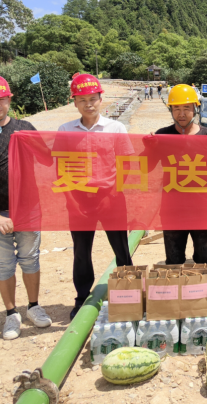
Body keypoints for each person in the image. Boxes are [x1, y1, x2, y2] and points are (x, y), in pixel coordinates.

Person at [0, 75, 52, 339]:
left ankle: (33, 306)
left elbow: (48, 160)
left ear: (9, 100)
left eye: (2, 99)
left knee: (30, 259)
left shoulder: (25, 128)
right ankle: (11, 314)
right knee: (4, 265)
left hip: (28, 211)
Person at [58, 74, 134, 320]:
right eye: (82, 100)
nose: (88, 104)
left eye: (92, 99)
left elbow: (125, 164)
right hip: (79, 200)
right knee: (81, 252)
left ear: (101, 99)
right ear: (75, 102)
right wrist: (71, 200)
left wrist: (115, 192)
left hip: (111, 198)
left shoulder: (115, 128)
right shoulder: (66, 130)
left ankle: (129, 295)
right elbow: (61, 168)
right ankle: (81, 298)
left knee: (121, 249)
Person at [153, 84, 207, 264]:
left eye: (186, 108)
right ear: (171, 110)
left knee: (204, 259)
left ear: (195, 109)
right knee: (174, 260)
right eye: (176, 108)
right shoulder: (162, 136)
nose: (181, 114)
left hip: (202, 208)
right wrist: (148, 148)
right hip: (172, 208)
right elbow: (146, 168)